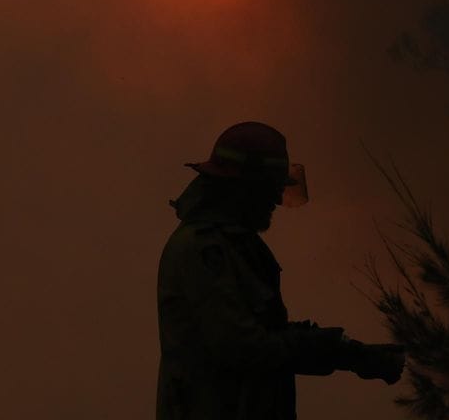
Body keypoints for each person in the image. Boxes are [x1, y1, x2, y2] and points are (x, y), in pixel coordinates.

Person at [156, 121, 405, 420]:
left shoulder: (232, 246)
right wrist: (335, 351)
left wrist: (348, 351)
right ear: (243, 187)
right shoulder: (204, 250)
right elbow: (245, 347)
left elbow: (263, 333)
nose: (275, 202)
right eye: (269, 189)